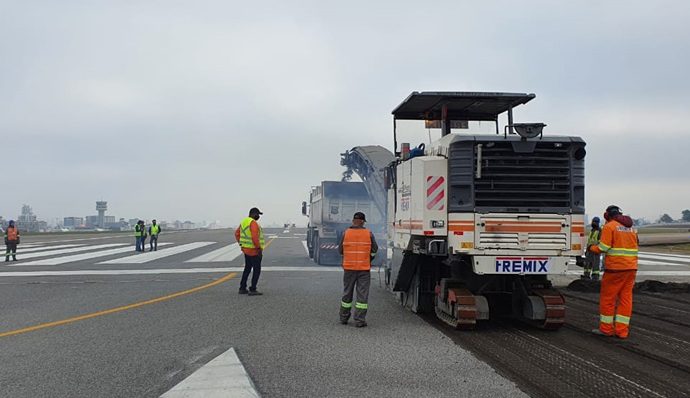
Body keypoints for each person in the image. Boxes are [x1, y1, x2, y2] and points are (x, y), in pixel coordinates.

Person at [589, 205, 638, 339]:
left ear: (608, 216)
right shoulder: (631, 228)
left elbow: (603, 247)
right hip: (631, 268)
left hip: (615, 269)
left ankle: (606, 329)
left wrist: (591, 248)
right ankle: (622, 331)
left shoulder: (610, 227)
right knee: (626, 299)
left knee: (608, 299)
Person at [338, 212, 378, 327]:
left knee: (347, 293)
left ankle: (343, 318)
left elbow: (340, 250)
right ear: (362, 221)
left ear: (353, 221)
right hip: (363, 269)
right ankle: (359, 321)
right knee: (362, 295)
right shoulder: (368, 233)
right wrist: (369, 258)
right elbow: (375, 249)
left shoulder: (346, 233)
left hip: (349, 269)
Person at [235, 207, 265, 296]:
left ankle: (242, 288)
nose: (258, 216)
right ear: (254, 214)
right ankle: (253, 289)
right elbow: (255, 237)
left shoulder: (244, 222)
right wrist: (258, 248)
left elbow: (237, 233)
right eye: (258, 214)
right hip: (254, 250)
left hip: (246, 250)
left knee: (247, 268)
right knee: (256, 270)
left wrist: (242, 244)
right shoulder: (253, 223)